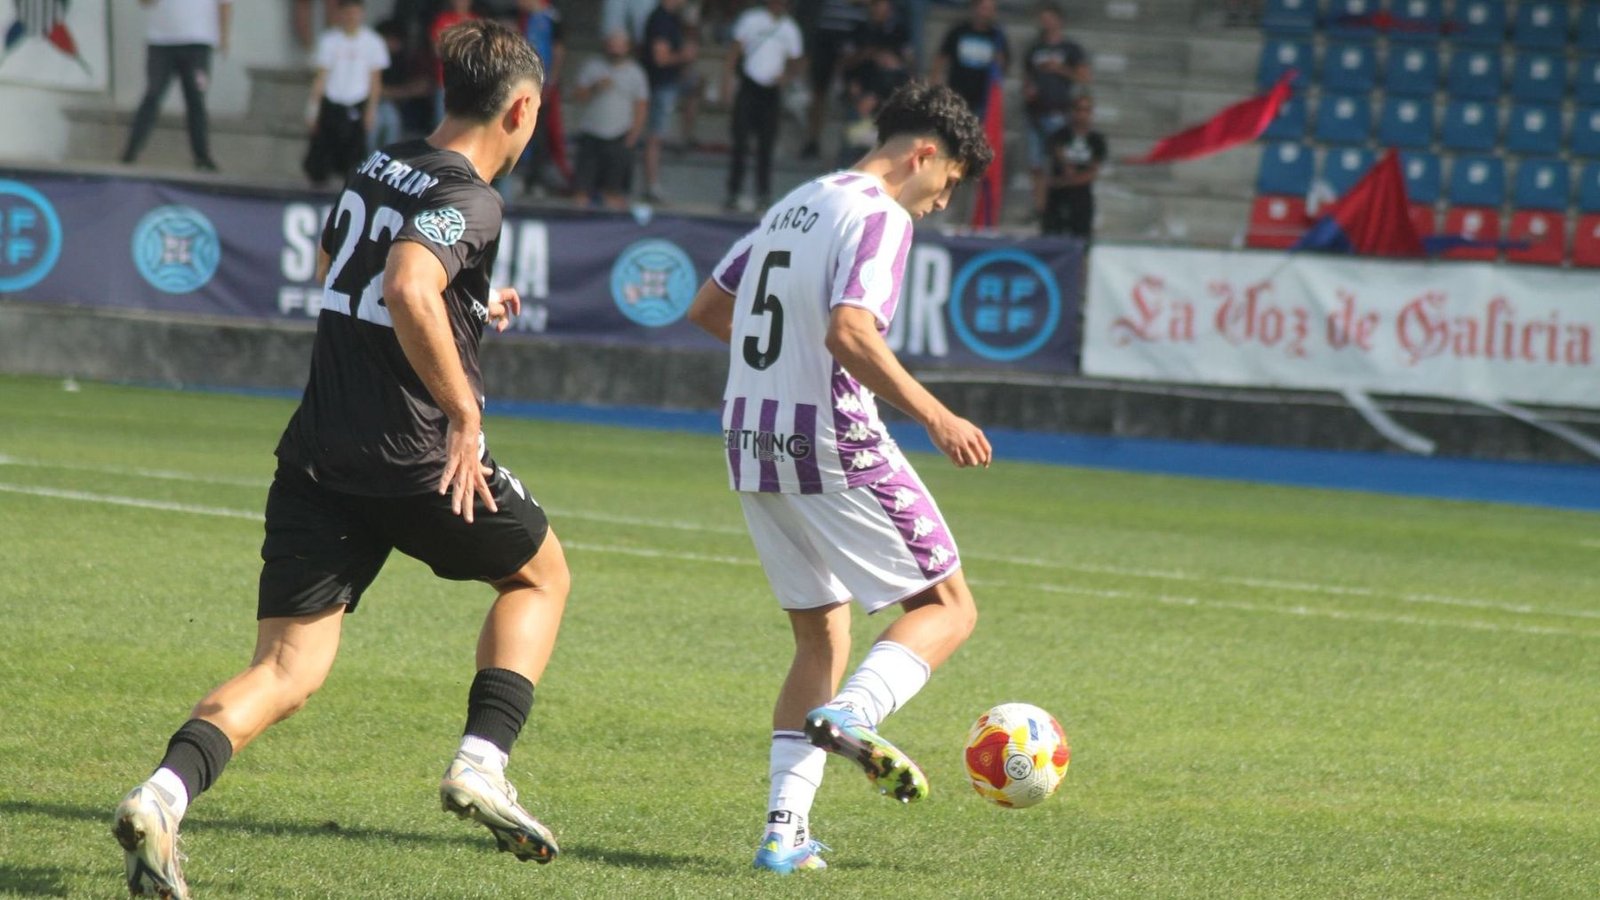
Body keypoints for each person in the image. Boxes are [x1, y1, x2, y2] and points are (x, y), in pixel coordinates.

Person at [110, 20, 565, 899]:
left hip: (320, 451)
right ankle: (480, 761)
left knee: (285, 670)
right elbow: (403, 283)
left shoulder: (381, 161)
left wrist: (469, 305)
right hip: (415, 458)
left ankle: (161, 796)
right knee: (541, 577)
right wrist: (464, 408)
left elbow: (342, 265)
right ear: (518, 109)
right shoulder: (474, 197)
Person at [685, 80, 993, 874]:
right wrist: (936, 414)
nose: (939, 204)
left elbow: (710, 308)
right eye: (948, 183)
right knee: (948, 607)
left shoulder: (796, 204)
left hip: (751, 437)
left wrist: (778, 370)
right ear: (924, 155)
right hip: (830, 438)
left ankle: (784, 834)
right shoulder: (879, 215)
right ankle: (855, 714)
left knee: (821, 632)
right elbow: (850, 330)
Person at [120, 0, 233, 171]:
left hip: (198, 41)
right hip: (161, 41)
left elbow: (224, 4)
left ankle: (202, 157)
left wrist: (224, 36)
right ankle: (130, 152)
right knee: (152, 95)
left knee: (196, 100)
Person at [722, 0, 805, 212]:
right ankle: (734, 191)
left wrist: (785, 77)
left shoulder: (790, 28)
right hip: (749, 85)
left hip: (771, 91)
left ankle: (763, 193)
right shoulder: (751, 19)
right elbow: (734, 52)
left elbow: (796, 60)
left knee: (766, 144)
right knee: (740, 140)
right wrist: (727, 82)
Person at [303, 0, 392, 188]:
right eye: (347, 13)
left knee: (353, 160)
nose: (351, 17)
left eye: (355, 13)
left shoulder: (373, 42)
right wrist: (312, 111)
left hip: (358, 103)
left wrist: (371, 110)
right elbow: (320, 79)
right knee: (321, 156)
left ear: (362, 14)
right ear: (341, 14)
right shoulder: (329, 41)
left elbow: (375, 81)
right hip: (332, 103)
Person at [1023, 1, 1088, 219]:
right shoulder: (1034, 48)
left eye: (1050, 17)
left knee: (1062, 162)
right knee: (1037, 164)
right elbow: (1027, 77)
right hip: (1036, 112)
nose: (1046, 22)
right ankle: (1040, 208)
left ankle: (1061, 207)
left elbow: (1083, 76)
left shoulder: (1071, 49)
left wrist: (1059, 68)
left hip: (1060, 112)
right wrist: (1028, 89)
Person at [572, 29, 650, 208]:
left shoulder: (636, 73)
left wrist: (633, 136)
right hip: (591, 133)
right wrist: (595, 87)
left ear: (627, 47)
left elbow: (641, 106)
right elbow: (578, 96)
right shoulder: (592, 67)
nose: (615, 49)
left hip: (619, 135)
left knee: (613, 192)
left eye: (619, 45)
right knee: (581, 191)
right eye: (612, 44)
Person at [640, 0, 699, 202]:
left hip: (670, 82)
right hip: (660, 84)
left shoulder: (673, 19)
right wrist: (684, 55)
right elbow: (661, 58)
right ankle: (652, 186)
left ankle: (685, 137)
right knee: (655, 136)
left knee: (695, 85)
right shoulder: (661, 19)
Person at [799, 0, 868, 160]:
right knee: (818, 96)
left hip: (852, 43)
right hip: (823, 43)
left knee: (853, 96)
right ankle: (812, 141)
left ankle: (851, 147)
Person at [517, 0, 573, 195]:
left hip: (542, 86)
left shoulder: (551, 17)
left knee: (539, 132)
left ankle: (536, 180)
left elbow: (558, 51)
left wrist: (551, 81)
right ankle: (525, 178)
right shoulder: (523, 18)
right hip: (521, 84)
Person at [1042, 90, 1106, 242]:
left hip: (1081, 201)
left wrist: (1064, 181)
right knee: (1052, 241)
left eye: (1086, 110)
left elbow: (1092, 172)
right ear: (1072, 111)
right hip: (1057, 201)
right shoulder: (1059, 136)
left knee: (1082, 244)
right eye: (1079, 109)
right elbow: (1057, 160)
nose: (1082, 114)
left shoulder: (1097, 140)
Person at [931, 0, 1007, 118]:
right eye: (983, 8)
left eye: (990, 9)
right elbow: (941, 58)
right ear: (974, 8)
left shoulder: (996, 36)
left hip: (982, 98)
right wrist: (935, 83)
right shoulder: (958, 31)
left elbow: (1003, 64)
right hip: (957, 94)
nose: (985, 13)